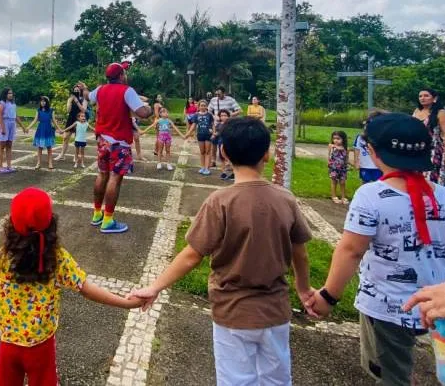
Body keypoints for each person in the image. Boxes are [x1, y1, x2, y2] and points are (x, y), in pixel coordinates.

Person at [130, 118, 314, 386]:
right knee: (277, 380)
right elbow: (302, 254)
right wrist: (304, 289)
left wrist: (155, 287)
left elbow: (192, 255)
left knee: (236, 381)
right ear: (267, 153)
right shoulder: (285, 199)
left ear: (224, 152)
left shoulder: (220, 202)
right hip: (276, 310)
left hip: (232, 312)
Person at [306, 113, 445, 386]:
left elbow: (351, 250)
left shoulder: (370, 195)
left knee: (392, 375)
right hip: (442, 304)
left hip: (385, 307)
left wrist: (328, 296)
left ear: (373, 152)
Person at [0, 187, 144, 385]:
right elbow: (87, 289)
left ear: (11, 223)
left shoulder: (5, 255)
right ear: (50, 222)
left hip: (9, 344)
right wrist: (125, 303)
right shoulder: (57, 258)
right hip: (41, 346)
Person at [78, 62, 152, 234]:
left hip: (102, 140)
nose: (125, 75)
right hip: (120, 142)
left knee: (102, 174)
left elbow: (89, 96)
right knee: (115, 178)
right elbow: (142, 113)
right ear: (120, 76)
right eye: (124, 73)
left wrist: (84, 89)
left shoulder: (100, 90)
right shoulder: (127, 90)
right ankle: (108, 220)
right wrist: (150, 108)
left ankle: (97, 214)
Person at [412, 88, 445, 185]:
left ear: (434, 98)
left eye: (426, 96)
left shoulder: (441, 113)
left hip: (433, 151)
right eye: (420, 96)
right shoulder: (417, 111)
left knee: (431, 180)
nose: (422, 98)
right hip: (416, 150)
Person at [141, 107, 186, 171]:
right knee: (160, 150)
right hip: (161, 137)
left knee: (168, 150)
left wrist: (182, 135)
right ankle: (159, 163)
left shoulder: (169, 121)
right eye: (164, 112)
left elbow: (175, 128)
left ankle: (168, 163)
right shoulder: (158, 120)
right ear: (160, 114)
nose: (166, 113)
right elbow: (151, 126)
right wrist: (143, 131)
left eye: (167, 112)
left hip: (168, 137)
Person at [0, 88, 28, 174]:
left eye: (11, 93)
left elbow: (16, 116)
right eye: (9, 93)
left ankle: (9, 165)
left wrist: (22, 126)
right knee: (2, 145)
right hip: (5, 123)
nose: (11, 95)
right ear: (5, 94)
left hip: (12, 123)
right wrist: (3, 128)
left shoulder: (13, 103)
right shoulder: (2, 103)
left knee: (9, 145)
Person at [26, 96, 63, 171]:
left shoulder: (51, 110)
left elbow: (54, 121)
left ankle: (50, 163)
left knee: (49, 147)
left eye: (44, 101)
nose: (43, 102)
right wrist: (28, 127)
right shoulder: (38, 110)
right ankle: (38, 163)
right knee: (40, 147)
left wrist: (59, 129)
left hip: (48, 129)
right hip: (41, 129)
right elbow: (35, 120)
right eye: (41, 101)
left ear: (47, 102)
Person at [56, 84, 88, 161]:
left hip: (80, 119)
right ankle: (62, 155)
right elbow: (68, 110)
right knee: (65, 137)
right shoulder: (71, 98)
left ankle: (76, 156)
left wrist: (76, 101)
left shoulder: (84, 99)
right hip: (71, 119)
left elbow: (83, 110)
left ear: (80, 91)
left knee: (78, 139)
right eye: (75, 90)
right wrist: (70, 102)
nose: (76, 91)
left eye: (78, 90)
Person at [186, 99, 215, 175]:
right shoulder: (196, 115)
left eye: (204, 105)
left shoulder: (209, 115)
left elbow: (213, 124)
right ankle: (202, 167)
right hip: (200, 135)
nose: (203, 107)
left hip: (208, 135)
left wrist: (214, 134)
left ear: (207, 106)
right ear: (198, 106)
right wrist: (188, 134)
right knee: (202, 152)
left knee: (208, 152)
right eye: (201, 105)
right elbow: (193, 125)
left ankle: (207, 168)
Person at [354, 111, 384, 184]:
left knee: (378, 183)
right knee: (365, 182)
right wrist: (356, 161)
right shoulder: (360, 137)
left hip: (377, 166)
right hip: (365, 165)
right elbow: (357, 149)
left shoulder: (381, 137)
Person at [328, 130, 350, 204]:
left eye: (338, 139)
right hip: (334, 168)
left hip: (343, 168)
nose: (336, 140)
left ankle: (343, 196)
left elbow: (346, 159)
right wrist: (329, 163)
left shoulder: (346, 148)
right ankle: (334, 196)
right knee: (334, 182)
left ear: (343, 139)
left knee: (343, 182)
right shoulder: (331, 146)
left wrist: (349, 165)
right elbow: (329, 156)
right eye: (334, 138)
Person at [212, 110, 232, 180]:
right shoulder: (218, 124)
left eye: (225, 115)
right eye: (222, 116)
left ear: (228, 116)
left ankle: (234, 173)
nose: (223, 117)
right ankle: (223, 173)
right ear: (219, 117)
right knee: (222, 158)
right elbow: (217, 133)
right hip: (220, 143)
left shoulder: (230, 124)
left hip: (229, 143)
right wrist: (214, 134)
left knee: (230, 158)